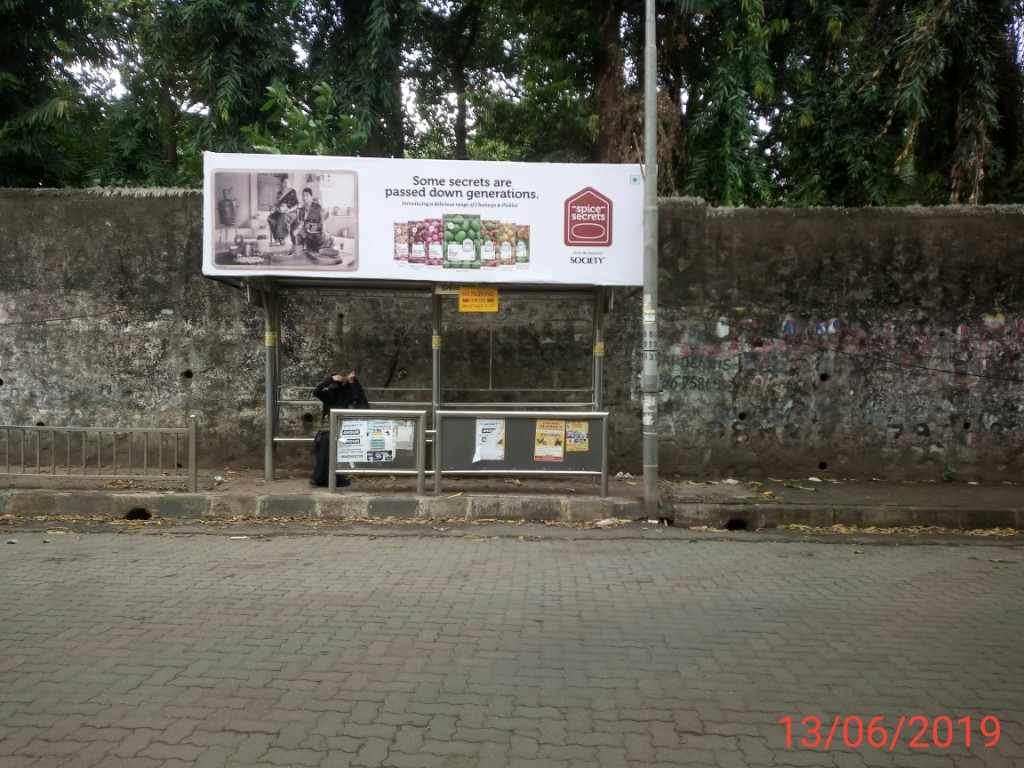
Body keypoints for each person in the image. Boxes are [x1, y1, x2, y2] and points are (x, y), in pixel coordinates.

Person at [310, 371, 369, 487]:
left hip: (342, 428)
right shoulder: (327, 396)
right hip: (327, 428)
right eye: (332, 383)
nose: (333, 386)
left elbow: (357, 396)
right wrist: (330, 379)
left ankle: (320, 477)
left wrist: (351, 381)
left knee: (327, 443)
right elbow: (316, 391)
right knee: (321, 444)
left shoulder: (345, 395)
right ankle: (323, 477)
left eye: (337, 384)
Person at [267, 176, 299, 245]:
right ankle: (276, 236)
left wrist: (289, 210)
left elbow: (298, 204)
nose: (286, 184)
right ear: (281, 184)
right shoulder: (279, 193)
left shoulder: (293, 192)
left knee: (282, 217)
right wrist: (277, 207)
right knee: (270, 218)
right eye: (284, 182)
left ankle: (282, 238)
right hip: (280, 211)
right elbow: (277, 204)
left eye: (288, 182)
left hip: (291, 212)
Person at [295, 187, 327, 253]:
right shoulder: (301, 209)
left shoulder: (317, 207)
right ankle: (301, 250)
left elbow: (322, 221)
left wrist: (324, 230)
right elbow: (301, 222)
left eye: (307, 195)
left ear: (311, 197)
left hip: (317, 231)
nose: (304, 197)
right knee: (298, 234)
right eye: (303, 195)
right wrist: (296, 231)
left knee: (323, 241)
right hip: (306, 232)